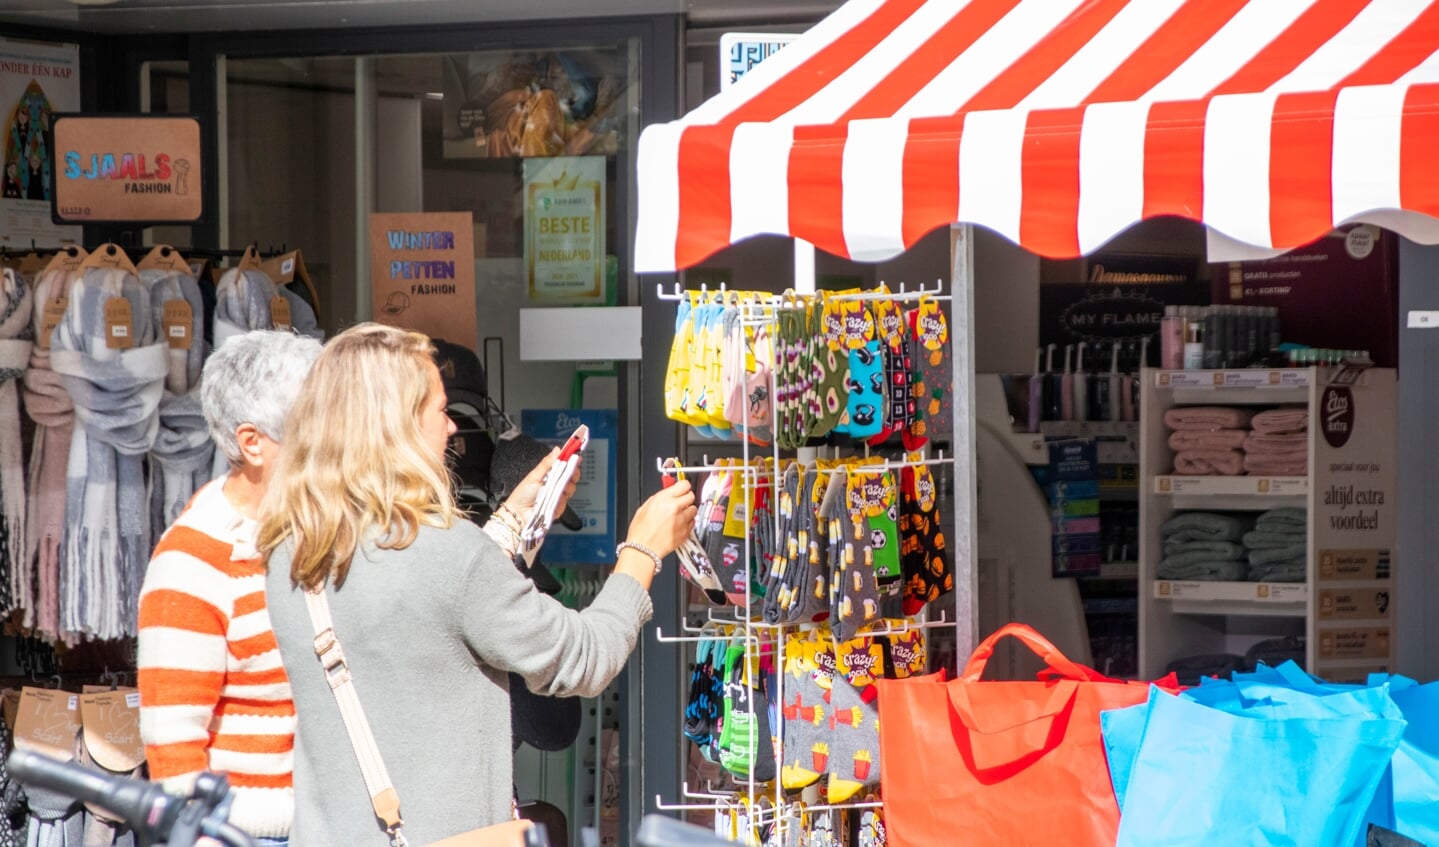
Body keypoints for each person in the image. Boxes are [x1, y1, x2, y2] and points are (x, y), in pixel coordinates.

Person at [258, 323, 697, 846]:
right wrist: (643, 550)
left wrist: (514, 521)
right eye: (441, 412)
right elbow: (584, 657)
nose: (452, 430)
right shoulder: (448, 553)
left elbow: (428, 601)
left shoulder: (294, 553)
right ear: (395, 427)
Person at [137, 330, 324, 847]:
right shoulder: (193, 560)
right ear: (252, 443)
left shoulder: (316, 536)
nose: (333, 447)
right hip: (246, 835)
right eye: (312, 432)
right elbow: (174, 750)